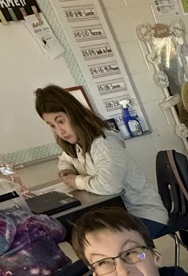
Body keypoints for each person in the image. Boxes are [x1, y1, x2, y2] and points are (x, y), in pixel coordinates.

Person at [34, 85, 169, 238]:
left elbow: (110, 186)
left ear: (75, 114)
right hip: (119, 216)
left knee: (96, 245)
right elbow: (65, 160)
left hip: (143, 215)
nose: (59, 131)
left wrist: (77, 181)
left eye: (61, 121)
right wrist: (69, 171)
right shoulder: (76, 143)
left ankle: (140, 259)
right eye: (52, 126)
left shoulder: (104, 143)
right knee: (86, 239)